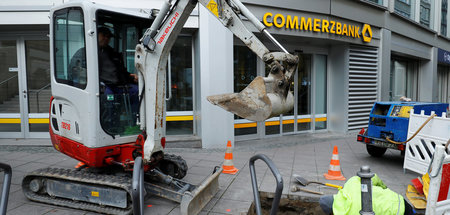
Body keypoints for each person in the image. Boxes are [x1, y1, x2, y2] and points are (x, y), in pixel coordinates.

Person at [319, 175, 415, 215]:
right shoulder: (351, 183)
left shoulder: (348, 213)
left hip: (396, 212)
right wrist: (384, 189)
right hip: (398, 199)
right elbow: (374, 177)